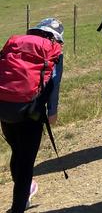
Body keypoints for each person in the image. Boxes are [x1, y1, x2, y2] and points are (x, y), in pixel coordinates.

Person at [0, 18, 64, 213]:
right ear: (56, 38)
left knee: (17, 151)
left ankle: (25, 193)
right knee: (26, 161)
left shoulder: (15, 44)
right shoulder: (53, 50)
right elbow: (54, 84)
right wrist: (52, 112)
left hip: (4, 108)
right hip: (31, 111)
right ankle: (18, 206)